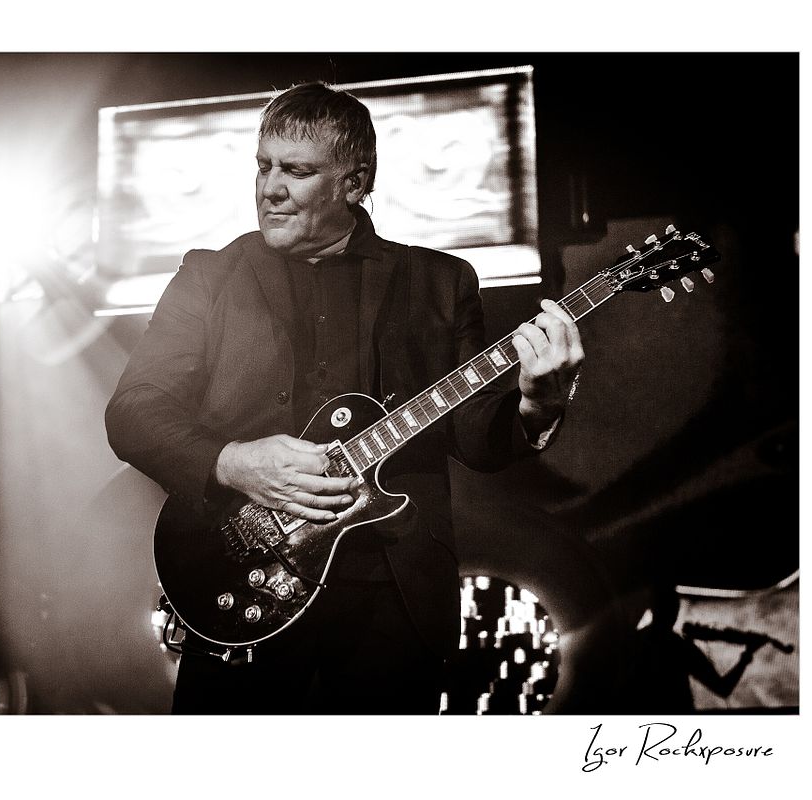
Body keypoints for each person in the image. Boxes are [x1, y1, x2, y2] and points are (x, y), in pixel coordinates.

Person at [105, 82, 583, 714]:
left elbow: (474, 437)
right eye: (263, 165)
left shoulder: (439, 282)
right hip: (239, 575)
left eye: (296, 171)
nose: (270, 187)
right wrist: (233, 462)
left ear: (354, 184)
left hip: (393, 591)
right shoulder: (208, 277)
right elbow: (133, 412)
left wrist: (539, 403)